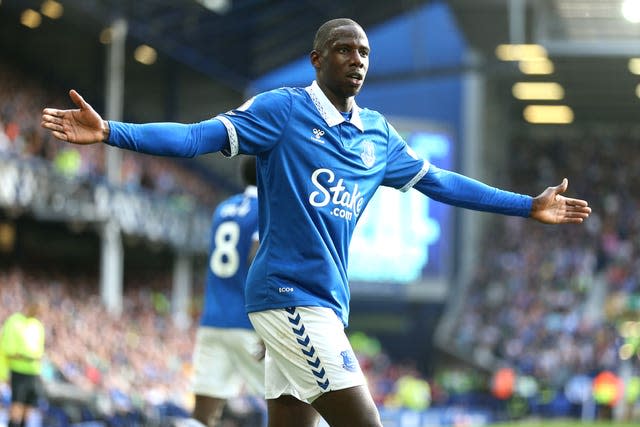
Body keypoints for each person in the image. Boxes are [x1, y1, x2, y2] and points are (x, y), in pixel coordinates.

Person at [41, 18, 591, 427]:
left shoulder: (378, 136)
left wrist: (527, 205)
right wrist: (112, 130)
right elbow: (195, 137)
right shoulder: (281, 111)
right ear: (317, 59)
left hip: (324, 302)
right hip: (289, 294)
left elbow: (442, 183)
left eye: (364, 52)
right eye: (344, 49)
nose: (357, 59)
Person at [186, 155, 265, 427]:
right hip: (249, 322)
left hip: (214, 319)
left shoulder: (223, 208)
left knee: (203, 415)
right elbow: (258, 259)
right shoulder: (268, 207)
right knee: (294, 400)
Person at [0, 298, 46, 427]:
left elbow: (39, 352)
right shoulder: (14, 321)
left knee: (28, 411)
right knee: (16, 410)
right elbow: (7, 349)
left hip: (34, 373)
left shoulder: (38, 325)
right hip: (18, 372)